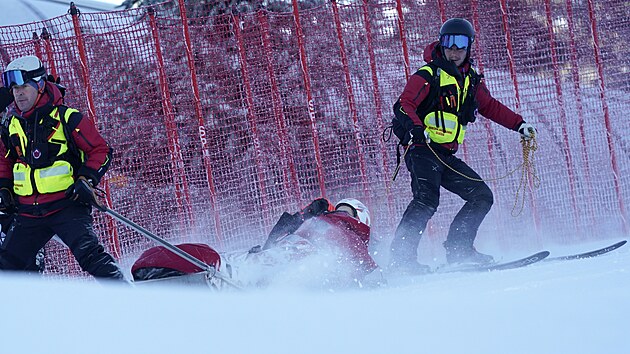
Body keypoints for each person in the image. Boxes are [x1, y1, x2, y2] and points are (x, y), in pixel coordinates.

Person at [388, 18, 536, 274]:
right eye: (449, 43)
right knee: (426, 200)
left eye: (460, 44)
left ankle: (459, 250)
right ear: (441, 44)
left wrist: (519, 125)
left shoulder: (470, 81)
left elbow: (490, 107)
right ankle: (400, 260)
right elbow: (403, 104)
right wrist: (416, 129)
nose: (454, 50)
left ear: (469, 47)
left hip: (445, 155)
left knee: (481, 196)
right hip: (423, 150)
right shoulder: (428, 74)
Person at [0, 55, 124, 280]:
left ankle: (131, 301)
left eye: (24, 87)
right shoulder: (12, 124)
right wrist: (5, 187)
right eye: (15, 88)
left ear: (39, 85)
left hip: (66, 206)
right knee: (6, 268)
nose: (18, 93)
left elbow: (101, 150)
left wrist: (86, 179)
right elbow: (5, 160)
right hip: (29, 212)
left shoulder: (67, 118)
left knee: (90, 256)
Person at [131, 198, 380, 289]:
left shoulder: (344, 230)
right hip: (286, 251)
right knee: (244, 265)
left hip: (289, 254)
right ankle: (204, 271)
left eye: (346, 212)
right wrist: (303, 216)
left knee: (239, 265)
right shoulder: (327, 226)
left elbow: (368, 273)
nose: (340, 214)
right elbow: (273, 240)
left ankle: (173, 268)